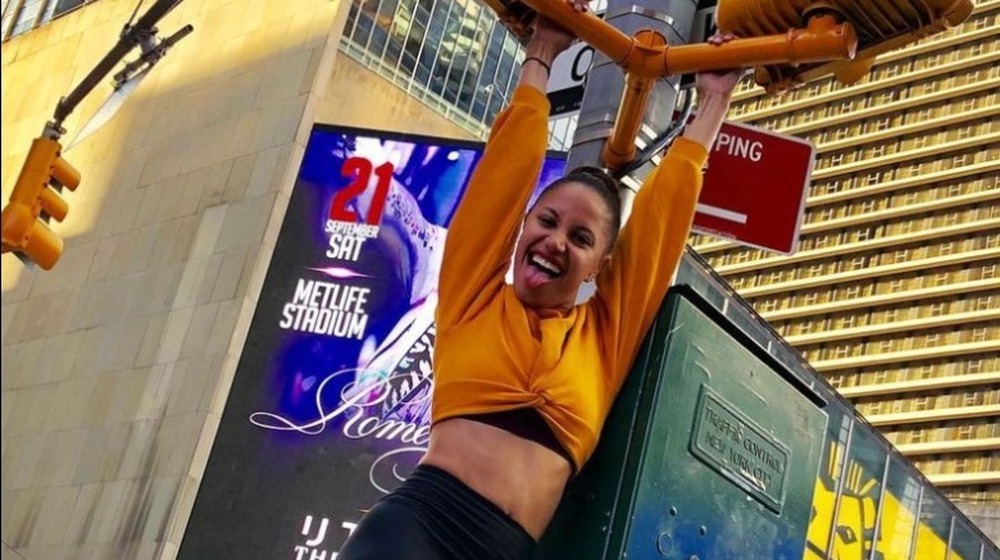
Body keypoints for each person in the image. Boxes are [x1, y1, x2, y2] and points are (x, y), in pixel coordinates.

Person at [338, 6, 743, 559]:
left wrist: (714, 100)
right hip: (415, 533)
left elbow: (662, 219)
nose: (556, 241)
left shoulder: (602, 339)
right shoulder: (473, 299)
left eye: (580, 238)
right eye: (547, 221)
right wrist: (542, 53)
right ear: (524, 226)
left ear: (600, 264)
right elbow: (505, 175)